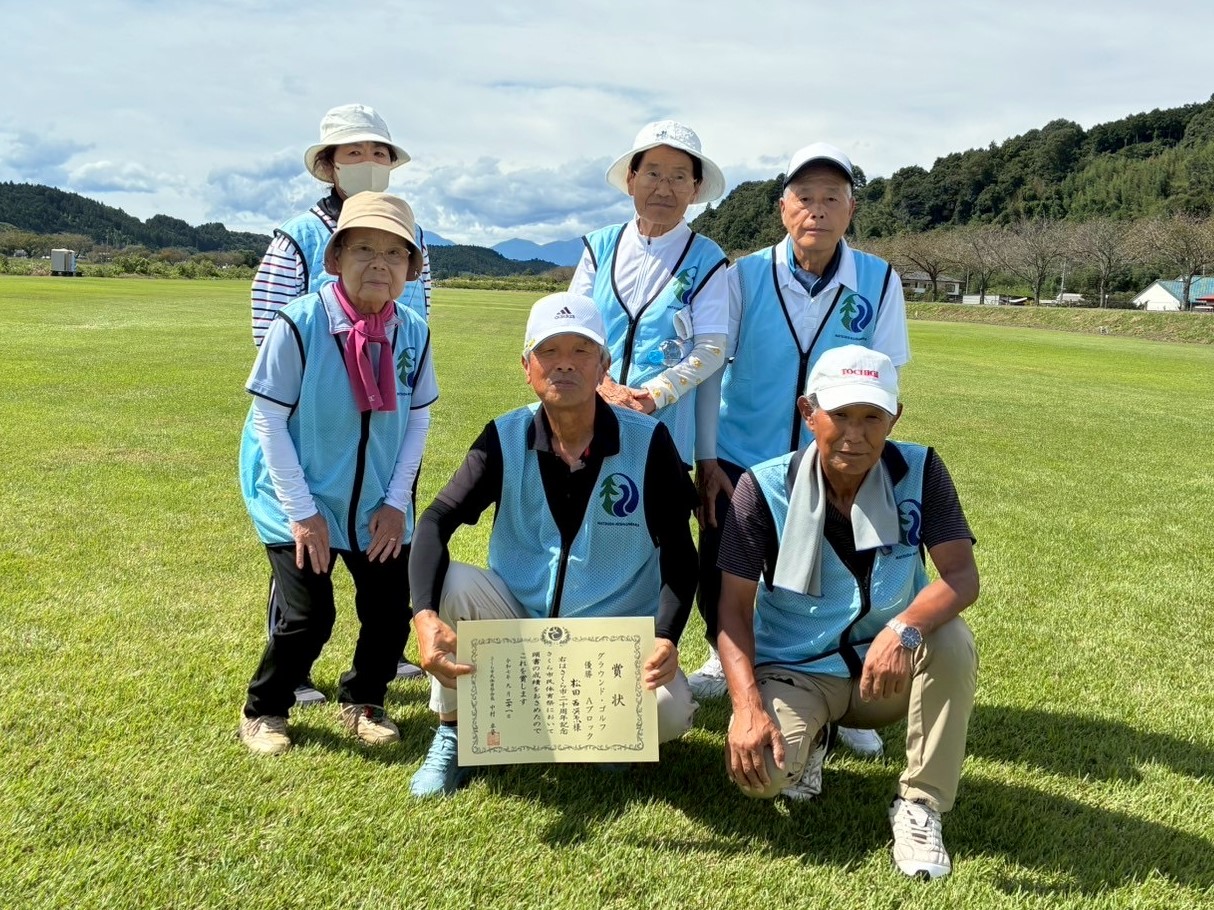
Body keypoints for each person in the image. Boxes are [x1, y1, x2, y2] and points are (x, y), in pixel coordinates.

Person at [406, 292, 699, 798]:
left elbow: (679, 549)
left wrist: (667, 635)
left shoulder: (649, 441)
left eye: (581, 350)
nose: (565, 363)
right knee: (451, 583)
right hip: (519, 626)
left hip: (607, 640)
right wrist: (424, 617)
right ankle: (454, 729)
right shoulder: (503, 436)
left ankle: (596, 735)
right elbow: (435, 521)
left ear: (604, 365)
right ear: (527, 367)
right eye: (549, 351)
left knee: (668, 712)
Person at [716, 345, 978, 880]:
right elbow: (733, 610)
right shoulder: (762, 486)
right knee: (760, 775)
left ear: (894, 417)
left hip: (886, 673)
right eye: (840, 415)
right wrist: (746, 707)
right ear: (808, 412)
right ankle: (812, 737)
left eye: (872, 417)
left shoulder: (920, 470)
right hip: (795, 669)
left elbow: (961, 577)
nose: (855, 435)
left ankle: (921, 805)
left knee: (951, 639)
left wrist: (904, 629)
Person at [689, 142, 910, 760]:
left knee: (842, 568)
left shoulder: (879, 279)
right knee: (725, 565)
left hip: (837, 455)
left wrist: (868, 451)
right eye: (804, 197)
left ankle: (845, 684)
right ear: (782, 207)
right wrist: (707, 457)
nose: (817, 209)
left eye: (831, 198)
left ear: (851, 208)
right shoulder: (743, 275)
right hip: (743, 452)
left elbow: (887, 375)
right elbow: (712, 367)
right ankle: (723, 656)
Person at [236, 192, 438, 756]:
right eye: (364, 249)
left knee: (388, 610)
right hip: (297, 494)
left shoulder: (413, 331)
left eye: (395, 254)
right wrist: (303, 514)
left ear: (410, 268)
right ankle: (265, 709)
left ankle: (365, 699)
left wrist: (395, 502)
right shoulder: (299, 324)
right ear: (336, 258)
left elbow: (418, 420)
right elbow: (268, 421)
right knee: (308, 615)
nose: (380, 264)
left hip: (376, 498)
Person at [569, 120, 730, 469]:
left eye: (678, 177)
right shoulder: (599, 246)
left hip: (665, 429)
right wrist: (603, 385)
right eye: (653, 173)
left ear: (695, 188)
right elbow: (574, 331)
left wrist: (653, 395)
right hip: (587, 420)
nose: (663, 188)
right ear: (631, 179)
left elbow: (712, 348)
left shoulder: (707, 259)